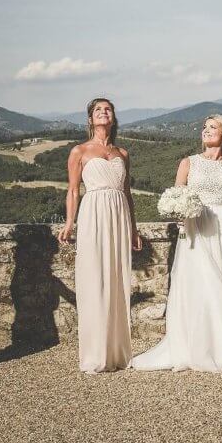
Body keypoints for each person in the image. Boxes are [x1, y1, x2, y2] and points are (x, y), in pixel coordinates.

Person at [131, 115, 222, 372]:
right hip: (196, 228)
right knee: (200, 283)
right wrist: (179, 213)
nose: (206, 131)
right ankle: (199, 346)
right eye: (204, 127)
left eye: (212, 127)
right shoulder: (188, 163)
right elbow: (177, 196)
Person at [59, 98, 142, 374]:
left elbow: (128, 194)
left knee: (117, 279)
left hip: (119, 217)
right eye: (98, 110)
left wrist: (133, 228)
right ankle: (95, 354)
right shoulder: (79, 151)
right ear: (90, 119)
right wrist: (70, 222)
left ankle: (117, 352)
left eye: (108, 109)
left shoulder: (123, 153)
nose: (103, 113)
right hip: (93, 215)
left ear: (113, 117)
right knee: (94, 278)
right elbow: (73, 190)